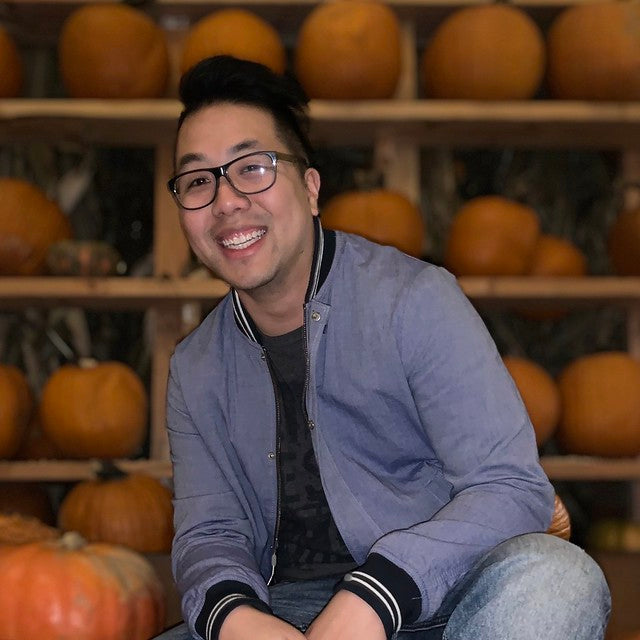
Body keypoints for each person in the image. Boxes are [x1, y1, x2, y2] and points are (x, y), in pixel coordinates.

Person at [155, 55, 611, 640]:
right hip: (287, 616)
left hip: (443, 598)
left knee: (557, 584)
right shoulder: (195, 368)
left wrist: (376, 596)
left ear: (311, 188)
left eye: (252, 168)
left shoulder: (416, 300)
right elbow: (209, 533)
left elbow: (510, 486)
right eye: (199, 181)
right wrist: (236, 619)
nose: (225, 201)